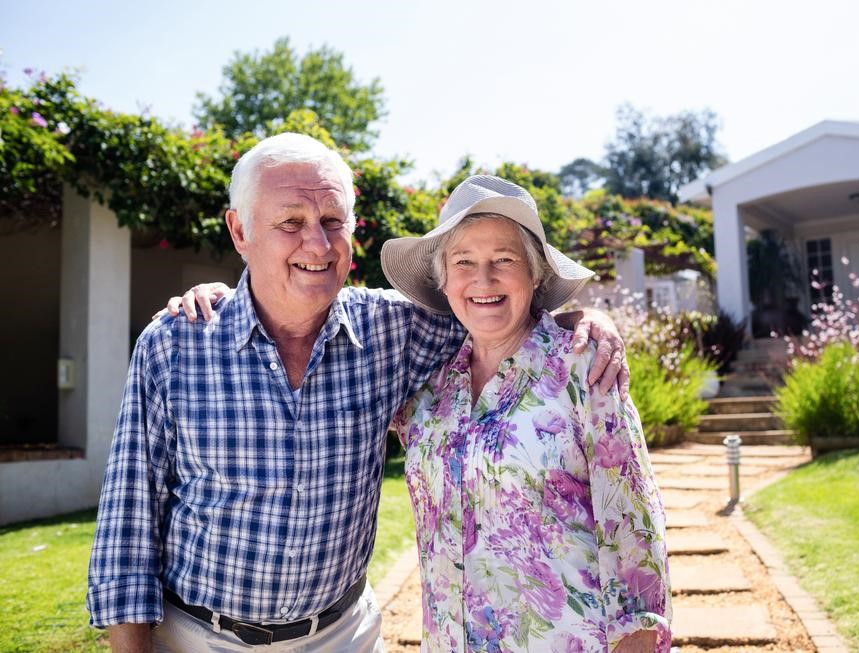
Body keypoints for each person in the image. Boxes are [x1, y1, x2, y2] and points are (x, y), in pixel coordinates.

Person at [88, 133, 627, 653]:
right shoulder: (176, 344)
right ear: (239, 230)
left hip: (341, 635)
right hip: (198, 638)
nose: (317, 244)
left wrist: (581, 318)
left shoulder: (398, 330)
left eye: (331, 222)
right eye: (290, 223)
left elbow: (492, 307)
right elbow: (127, 528)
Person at [382, 175, 671, 652]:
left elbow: (635, 530)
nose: (484, 279)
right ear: (444, 280)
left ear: (535, 274)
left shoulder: (583, 367)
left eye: (504, 259)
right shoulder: (425, 396)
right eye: (464, 262)